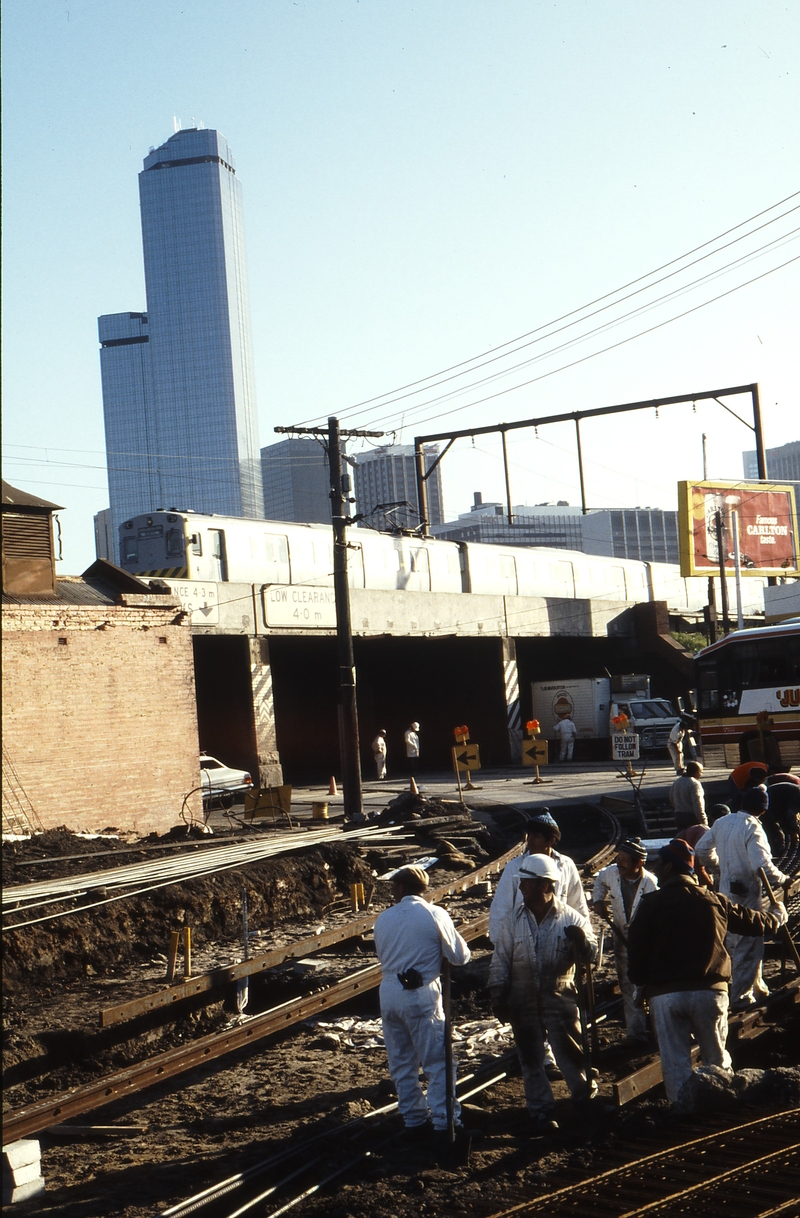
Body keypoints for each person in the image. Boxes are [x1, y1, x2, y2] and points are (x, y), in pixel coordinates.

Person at [626, 839, 786, 1105]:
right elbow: (759, 924)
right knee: (718, 1059)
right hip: (710, 993)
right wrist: (778, 915)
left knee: (675, 1064)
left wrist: (640, 984)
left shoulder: (650, 904)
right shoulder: (715, 901)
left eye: (659, 863)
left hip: (667, 996)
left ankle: (681, 1114)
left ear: (668, 867)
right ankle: (726, 1110)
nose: (656, 868)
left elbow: (637, 951)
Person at [488, 853, 598, 1133]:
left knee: (571, 1052)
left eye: (526, 883)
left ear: (545, 886)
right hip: (522, 997)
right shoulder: (514, 921)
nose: (521, 888)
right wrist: (498, 992)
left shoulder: (570, 919)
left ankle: (584, 1101)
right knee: (530, 1057)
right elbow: (501, 958)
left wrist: (583, 944)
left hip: (559, 995)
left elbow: (594, 957)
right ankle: (541, 1110)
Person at [373, 865, 470, 1138]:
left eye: (393, 887)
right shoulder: (434, 914)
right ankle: (443, 1121)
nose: (392, 892)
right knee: (437, 1062)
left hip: (389, 991)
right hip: (419, 992)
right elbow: (460, 957)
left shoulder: (383, 919)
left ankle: (414, 1120)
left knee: (402, 1062)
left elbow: (383, 954)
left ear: (403, 888)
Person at [695, 787, 788, 1010]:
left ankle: (757, 987)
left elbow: (701, 849)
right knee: (750, 941)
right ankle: (741, 997)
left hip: (726, 890)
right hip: (747, 892)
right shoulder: (754, 828)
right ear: (762, 811)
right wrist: (782, 879)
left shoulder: (723, 822)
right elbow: (762, 866)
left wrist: (719, 868)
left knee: (733, 941)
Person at [592, 839, 658, 1044]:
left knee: (651, 987)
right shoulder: (611, 874)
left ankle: (658, 1032)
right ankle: (635, 1032)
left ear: (639, 863)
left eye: (624, 860)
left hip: (646, 943)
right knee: (627, 984)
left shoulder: (651, 884)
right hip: (621, 939)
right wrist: (598, 900)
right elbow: (599, 882)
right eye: (618, 859)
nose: (619, 863)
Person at [489, 810, 589, 944]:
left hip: (558, 939)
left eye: (536, 836)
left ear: (551, 840)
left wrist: (585, 938)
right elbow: (501, 908)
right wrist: (500, 943)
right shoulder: (515, 867)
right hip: (523, 939)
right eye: (528, 835)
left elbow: (577, 904)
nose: (530, 841)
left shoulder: (566, 865)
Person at [669, 760, 707, 830]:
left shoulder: (677, 782)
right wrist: (704, 821)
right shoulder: (695, 784)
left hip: (678, 816)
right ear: (697, 772)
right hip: (691, 817)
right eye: (701, 772)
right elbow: (698, 804)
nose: (701, 774)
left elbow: (671, 798)